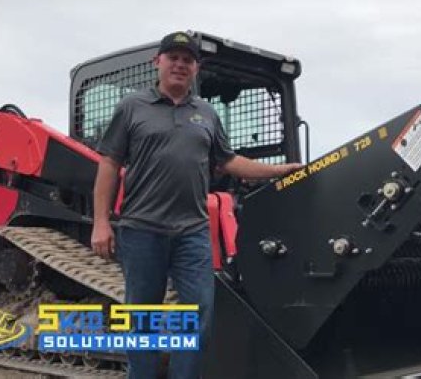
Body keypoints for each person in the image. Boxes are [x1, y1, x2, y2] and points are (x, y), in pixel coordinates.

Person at [91, 31, 302, 379]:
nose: (180, 64)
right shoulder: (132, 107)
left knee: (198, 316)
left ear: (196, 68)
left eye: (187, 60)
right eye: (173, 58)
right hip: (142, 230)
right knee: (142, 319)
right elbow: (109, 163)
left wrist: (279, 171)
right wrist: (101, 221)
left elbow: (229, 161)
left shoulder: (205, 113)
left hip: (192, 233)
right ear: (157, 62)